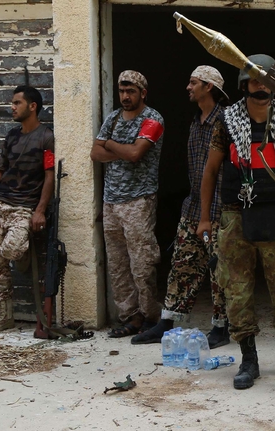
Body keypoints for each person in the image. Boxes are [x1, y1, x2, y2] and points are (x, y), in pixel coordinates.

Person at [196, 54, 275, 390]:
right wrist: (204, 219)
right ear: (244, 85)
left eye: (267, 80)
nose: (261, 87)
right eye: (254, 81)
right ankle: (249, 358)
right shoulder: (226, 122)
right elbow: (211, 171)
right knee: (237, 291)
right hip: (234, 215)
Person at [133, 66, 230, 348]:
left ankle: (222, 326)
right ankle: (168, 321)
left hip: (218, 211)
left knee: (218, 270)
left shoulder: (224, 122)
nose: (188, 87)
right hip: (194, 207)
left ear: (208, 87)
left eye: (193, 82)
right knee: (182, 264)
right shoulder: (196, 121)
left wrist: (209, 216)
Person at [90, 70, 164, 338]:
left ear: (142, 93)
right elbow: (94, 153)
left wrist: (109, 143)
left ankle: (151, 317)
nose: (125, 96)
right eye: (122, 91)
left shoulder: (152, 119)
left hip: (139, 200)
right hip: (111, 202)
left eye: (131, 91)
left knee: (142, 263)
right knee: (118, 264)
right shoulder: (113, 118)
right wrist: (118, 148)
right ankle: (130, 317)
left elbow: (135, 154)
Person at [0, 86, 54, 334]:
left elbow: (49, 175)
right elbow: (1, 169)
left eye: (17, 103)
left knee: (11, 249)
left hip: (24, 208)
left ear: (32, 106)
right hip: (1, 204)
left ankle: (22, 248)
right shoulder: (12, 136)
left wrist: (40, 210)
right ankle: (4, 317)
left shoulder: (46, 137)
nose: (12, 107)